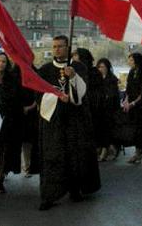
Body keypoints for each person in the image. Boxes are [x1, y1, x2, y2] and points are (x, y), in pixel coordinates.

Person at [37, 35, 100, 211]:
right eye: (54, 46)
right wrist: (58, 97)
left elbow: (83, 92)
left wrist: (73, 78)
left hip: (74, 120)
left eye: (60, 46)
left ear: (67, 48)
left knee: (74, 155)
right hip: (53, 120)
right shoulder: (45, 69)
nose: (57, 49)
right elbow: (39, 94)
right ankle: (50, 194)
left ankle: (75, 189)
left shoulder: (78, 67)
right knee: (53, 157)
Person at [0, 53, 24, 194]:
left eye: (3, 61)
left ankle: (0, 179)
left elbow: (16, 99)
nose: (1, 64)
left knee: (3, 150)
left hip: (7, 121)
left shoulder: (12, 80)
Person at [73, 48, 106, 160]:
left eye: (76, 55)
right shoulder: (75, 70)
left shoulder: (93, 72)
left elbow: (98, 90)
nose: (74, 57)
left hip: (93, 105)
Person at [123, 53, 142, 163]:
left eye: (131, 60)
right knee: (136, 130)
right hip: (133, 106)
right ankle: (137, 152)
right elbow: (128, 88)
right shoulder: (131, 72)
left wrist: (133, 103)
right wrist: (126, 100)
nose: (129, 62)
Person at [96, 58, 121, 161]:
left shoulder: (112, 79)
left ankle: (105, 151)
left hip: (110, 109)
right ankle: (104, 148)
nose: (100, 69)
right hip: (100, 108)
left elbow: (112, 95)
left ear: (107, 68)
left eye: (102, 67)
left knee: (107, 129)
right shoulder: (97, 79)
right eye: (99, 67)